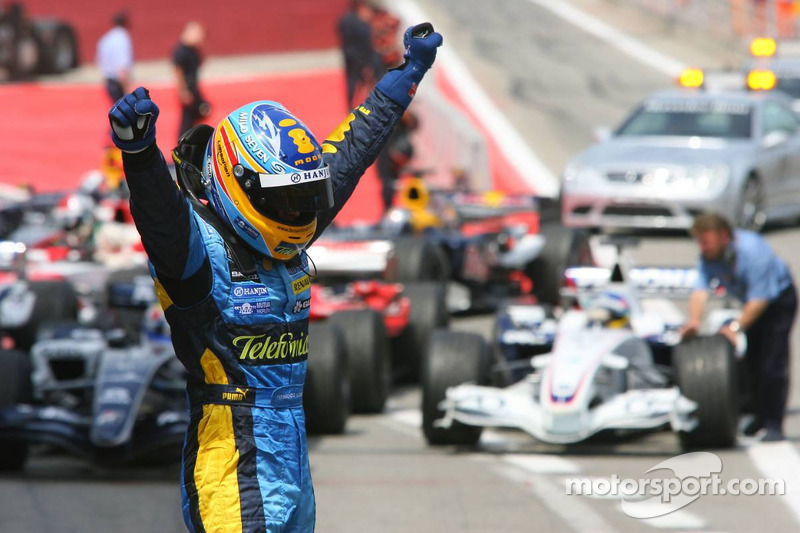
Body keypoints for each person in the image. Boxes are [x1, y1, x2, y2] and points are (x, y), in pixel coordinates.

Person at [108, 23, 442, 532]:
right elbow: (160, 220)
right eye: (286, 197)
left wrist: (407, 75)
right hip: (232, 469)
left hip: (293, 462)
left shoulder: (292, 228)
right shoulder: (196, 256)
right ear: (238, 180)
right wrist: (139, 154)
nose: (300, 208)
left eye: (304, 195)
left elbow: (351, 151)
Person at [681, 212, 797, 442]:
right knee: (751, 360)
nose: (702, 247)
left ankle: (774, 424)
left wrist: (735, 327)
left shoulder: (754, 251)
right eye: (699, 242)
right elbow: (700, 292)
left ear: (724, 236)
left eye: (706, 241)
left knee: (771, 362)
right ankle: (757, 415)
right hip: (751, 303)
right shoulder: (708, 256)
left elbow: (761, 299)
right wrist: (694, 322)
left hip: (777, 302)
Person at [337, 0, 381, 110]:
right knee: (368, 81)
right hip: (361, 56)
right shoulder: (362, 22)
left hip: (349, 54)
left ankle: (350, 105)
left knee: (351, 80)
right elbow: (366, 41)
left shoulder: (344, 19)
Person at [173, 21, 210, 141]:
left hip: (194, 88)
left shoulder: (193, 50)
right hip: (187, 89)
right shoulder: (181, 51)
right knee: (187, 118)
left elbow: (200, 63)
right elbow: (178, 72)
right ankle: (182, 141)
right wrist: (183, 91)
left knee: (202, 111)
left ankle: (190, 138)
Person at [376, 109, 418, 212]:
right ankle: (387, 208)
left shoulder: (404, 122)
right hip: (387, 154)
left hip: (397, 150)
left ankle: (390, 207)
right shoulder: (389, 118)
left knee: (392, 182)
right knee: (387, 183)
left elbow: (415, 124)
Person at [95, 11, 133, 105]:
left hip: (109, 82)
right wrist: (126, 90)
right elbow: (122, 66)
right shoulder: (123, 38)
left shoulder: (106, 38)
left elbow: (99, 60)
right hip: (118, 83)